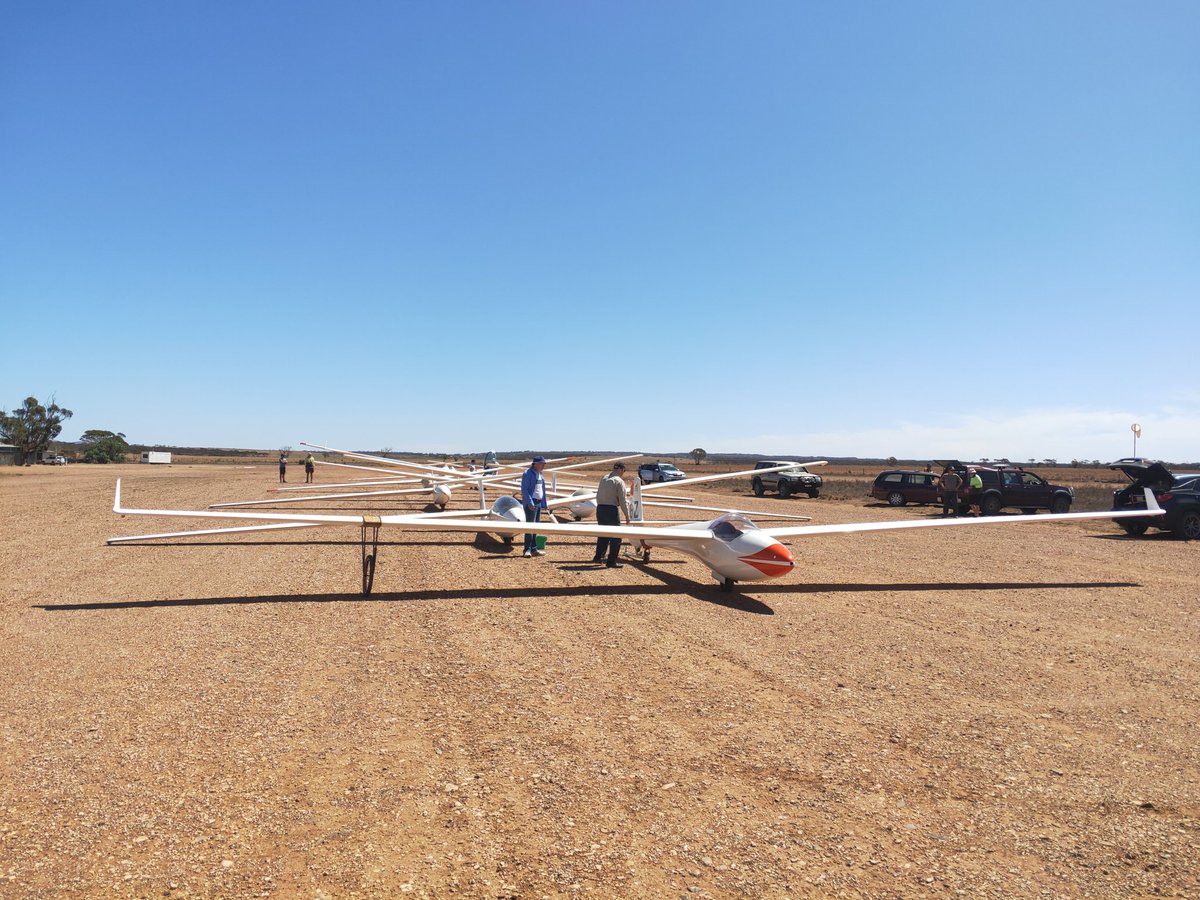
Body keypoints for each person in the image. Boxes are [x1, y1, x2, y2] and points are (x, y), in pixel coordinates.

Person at [592, 461, 632, 567]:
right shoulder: (619, 481)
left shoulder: (604, 478)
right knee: (616, 536)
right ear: (622, 470)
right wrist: (627, 515)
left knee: (603, 534)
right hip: (611, 510)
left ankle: (598, 557)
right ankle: (611, 561)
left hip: (600, 508)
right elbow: (623, 500)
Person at [520, 456, 549, 558]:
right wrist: (529, 502)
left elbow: (542, 491)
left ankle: (534, 549)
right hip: (531, 504)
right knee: (530, 527)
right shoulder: (527, 473)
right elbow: (524, 490)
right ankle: (527, 550)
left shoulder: (540, 475)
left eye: (544, 464)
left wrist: (544, 504)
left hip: (539, 503)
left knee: (536, 526)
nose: (543, 466)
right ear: (535, 464)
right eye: (541, 464)